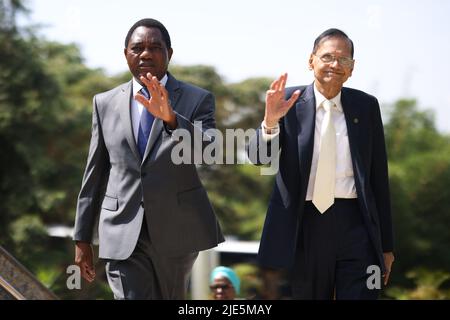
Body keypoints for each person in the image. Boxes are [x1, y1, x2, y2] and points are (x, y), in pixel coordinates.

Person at [73, 18, 224, 299]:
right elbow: (94, 171)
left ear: (169, 53)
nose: (145, 53)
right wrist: (82, 237)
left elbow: (209, 151)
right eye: (137, 47)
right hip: (121, 227)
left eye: (155, 47)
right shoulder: (104, 103)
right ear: (126, 54)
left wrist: (171, 119)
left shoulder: (196, 99)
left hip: (176, 231)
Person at [248, 28, 394, 299]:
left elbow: (378, 179)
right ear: (311, 60)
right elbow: (260, 159)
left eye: (343, 59)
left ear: (352, 68)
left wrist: (385, 246)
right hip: (302, 227)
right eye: (327, 57)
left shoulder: (366, 106)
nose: (335, 65)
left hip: (357, 226)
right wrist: (269, 123)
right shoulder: (287, 101)